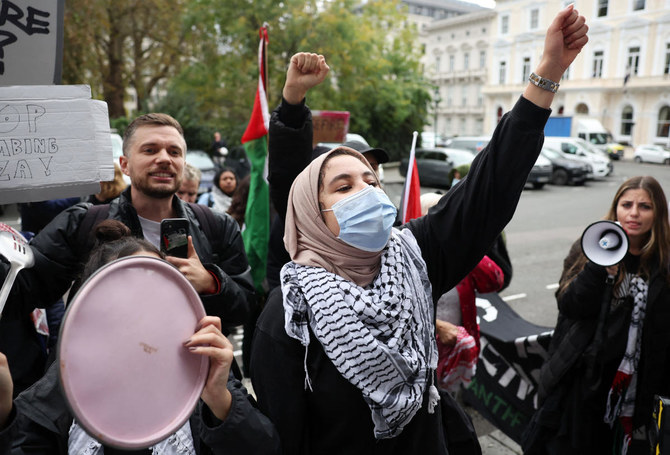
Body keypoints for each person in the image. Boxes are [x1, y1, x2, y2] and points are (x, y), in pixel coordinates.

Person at [250, 6, 588, 454]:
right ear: (313, 214)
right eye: (344, 186)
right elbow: (285, 437)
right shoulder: (289, 315)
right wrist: (292, 107)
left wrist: (547, 73)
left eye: (372, 180)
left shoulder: (414, 257)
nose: (367, 191)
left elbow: (487, 189)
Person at [0, 113, 254, 392]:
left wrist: (210, 283)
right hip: (101, 387)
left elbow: (244, 308)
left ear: (183, 164)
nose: (164, 158)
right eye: (150, 150)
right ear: (125, 165)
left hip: (191, 387)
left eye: (174, 152)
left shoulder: (217, 226)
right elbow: (22, 287)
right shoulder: (83, 223)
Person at [10, 220, 280, 454]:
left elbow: (264, 448)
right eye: (126, 290)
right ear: (93, 307)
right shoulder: (65, 384)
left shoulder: (200, 369)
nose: (144, 303)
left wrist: (221, 401)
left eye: (160, 285)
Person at [522, 176, 670, 455]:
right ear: (616, 209)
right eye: (626, 205)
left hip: (637, 387)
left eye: (645, 206)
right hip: (583, 382)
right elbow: (569, 305)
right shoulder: (591, 246)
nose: (634, 213)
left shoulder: (664, 261)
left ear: (658, 212)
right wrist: (598, 270)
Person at [420, 193, 504, 393]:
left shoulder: (457, 256)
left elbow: (495, 281)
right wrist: (438, 327)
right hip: (422, 353)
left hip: (454, 352)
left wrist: (466, 247)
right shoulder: (411, 257)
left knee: (449, 401)